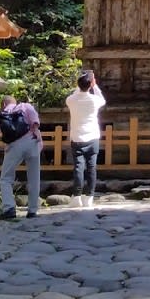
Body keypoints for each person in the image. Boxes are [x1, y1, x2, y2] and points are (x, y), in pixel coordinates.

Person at [0, 93, 42, 218]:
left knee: (6, 178)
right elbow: (35, 122)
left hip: (14, 146)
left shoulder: (2, 115)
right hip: (32, 142)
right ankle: (32, 210)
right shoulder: (26, 106)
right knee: (34, 178)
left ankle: (9, 208)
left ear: (3, 104)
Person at [65, 69, 107, 208]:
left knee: (78, 167)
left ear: (78, 84)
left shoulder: (71, 100)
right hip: (93, 136)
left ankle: (76, 196)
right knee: (91, 167)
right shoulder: (94, 100)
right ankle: (89, 197)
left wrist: (82, 84)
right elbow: (102, 99)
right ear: (90, 85)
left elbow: (76, 93)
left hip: (77, 137)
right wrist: (94, 85)